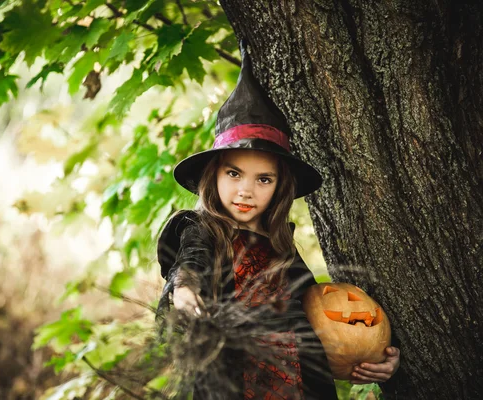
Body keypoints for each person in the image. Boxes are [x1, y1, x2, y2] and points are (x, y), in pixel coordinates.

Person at [156, 42, 400, 400]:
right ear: (214, 175)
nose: (246, 191)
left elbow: (322, 322)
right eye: (234, 173)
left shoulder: (282, 249)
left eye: (263, 179)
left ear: (280, 186)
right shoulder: (203, 230)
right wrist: (186, 290)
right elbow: (190, 264)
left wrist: (371, 360)